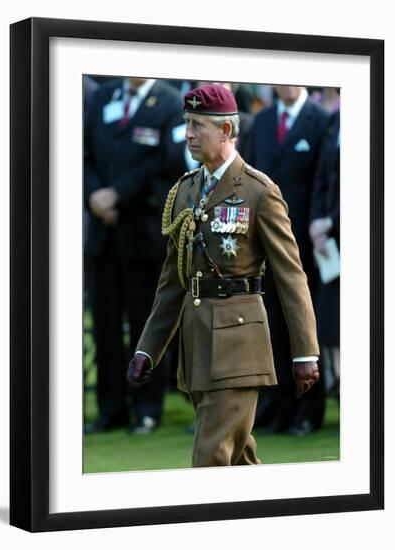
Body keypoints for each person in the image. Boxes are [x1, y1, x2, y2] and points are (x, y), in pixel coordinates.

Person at [126, 84, 320, 467]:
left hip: (239, 349)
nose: (189, 134)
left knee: (210, 459)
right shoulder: (185, 190)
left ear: (226, 131)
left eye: (198, 125)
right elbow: (173, 281)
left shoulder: (259, 191)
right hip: (197, 348)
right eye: (187, 123)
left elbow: (291, 276)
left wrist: (305, 352)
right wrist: (148, 347)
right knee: (238, 461)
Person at [84, 77, 183, 435]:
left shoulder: (171, 102)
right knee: (106, 325)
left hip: (142, 233)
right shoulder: (103, 96)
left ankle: (146, 407)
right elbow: (82, 154)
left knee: (146, 325)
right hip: (102, 232)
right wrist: (94, 195)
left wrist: (118, 195)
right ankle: (110, 409)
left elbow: (165, 164)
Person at [249, 85, 330, 435]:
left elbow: (322, 182)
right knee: (272, 329)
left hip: (302, 246)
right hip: (264, 244)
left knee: (304, 327)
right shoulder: (264, 120)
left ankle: (309, 411)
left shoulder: (321, 120)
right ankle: (280, 409)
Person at [309, 108, 340, 399]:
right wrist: (317, 223)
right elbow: (320, 177)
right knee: (331, 327)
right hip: (329, 246)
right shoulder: (335, 121)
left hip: (356, 236)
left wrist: (331, 220)